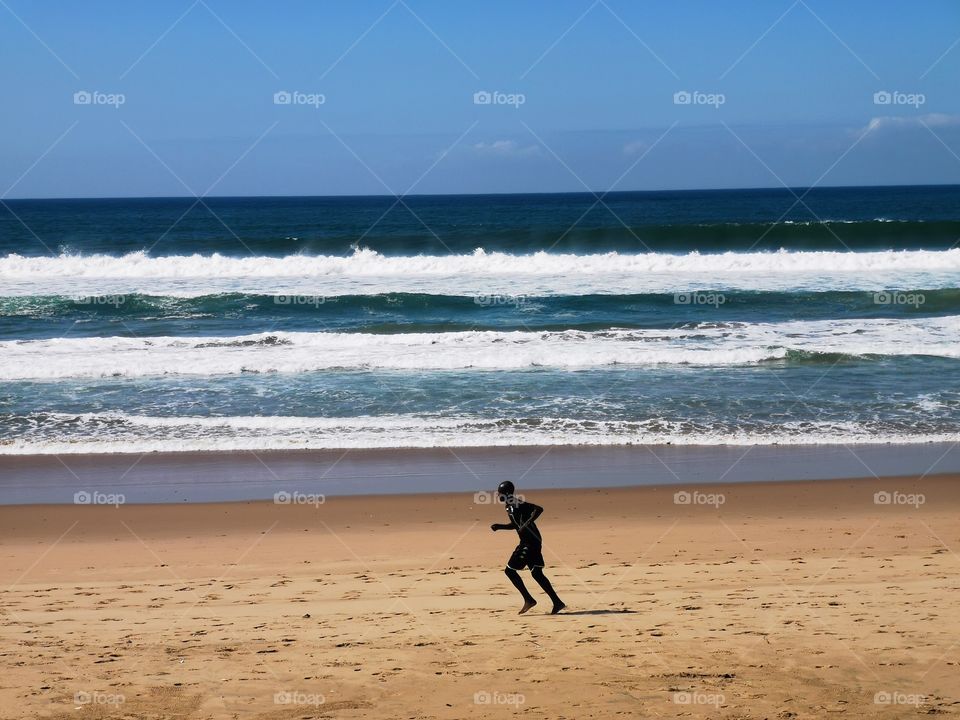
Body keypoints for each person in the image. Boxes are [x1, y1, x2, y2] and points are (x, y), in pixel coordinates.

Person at [489, 481, 565, 615]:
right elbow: (515, 525)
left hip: (529, 542)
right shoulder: (509, 506)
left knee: (509, 571)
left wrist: (527, 523)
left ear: (506, 493)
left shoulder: (515, 503)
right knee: (537, 573)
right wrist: (500, 527)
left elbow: (538, 509)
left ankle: (529, 599)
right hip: (532, 541)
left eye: (500, 493)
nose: (498, 495)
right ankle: (557, 602)